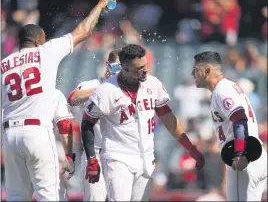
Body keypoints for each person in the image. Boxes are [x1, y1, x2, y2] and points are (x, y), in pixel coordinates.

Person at [1, 0, 116, 200]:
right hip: (37, 131)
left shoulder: (4, 64)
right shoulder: (45, 51)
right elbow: (83, 31)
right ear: (37, 41)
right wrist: (100, 5)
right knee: (50, 196)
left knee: (16, 196)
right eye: (44, 38)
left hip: (10, 135)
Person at [81, 44, 205, 201]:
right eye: (139, 68)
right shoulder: (106, 90)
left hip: (146, 157)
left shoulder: (153, 84)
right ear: (124, 69)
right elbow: (87, 124)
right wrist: (92, 159)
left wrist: (190, 147)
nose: (145, 70)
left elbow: (169, 119)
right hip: (117, 157)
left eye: (145, 65)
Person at [191, 51, 267, 201]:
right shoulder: (226, 87)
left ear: (207, 70)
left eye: (195, 69)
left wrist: (239, 153)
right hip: (251, 154)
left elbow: (239, 119)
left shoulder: (222, 90)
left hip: (244, 157)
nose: (192, 74)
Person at [68, 50, 121, 201]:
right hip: (95, 152)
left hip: (121, 153)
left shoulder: (127, 90)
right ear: (108, 66)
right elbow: (72, 98)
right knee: (95, 199)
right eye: (116, 67)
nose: (119, 72)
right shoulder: (93, 84)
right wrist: (103, 88)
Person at [52, 89, 75, 201]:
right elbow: (65, 124)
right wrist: (70, 158)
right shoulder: (54, 93)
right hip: (43, 139)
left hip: (11, 137)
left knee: (17, 193)